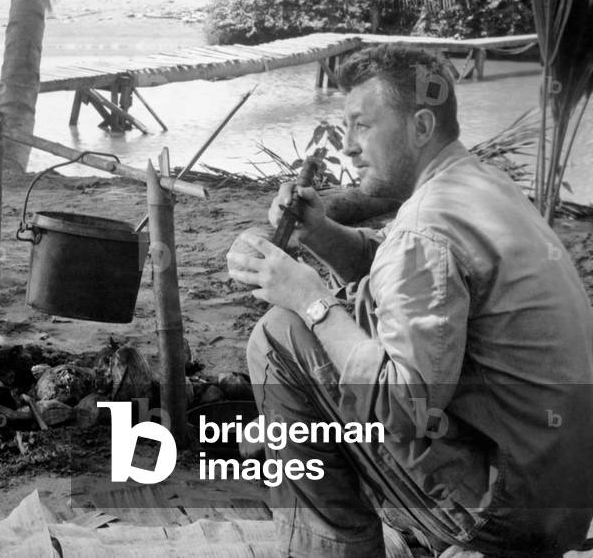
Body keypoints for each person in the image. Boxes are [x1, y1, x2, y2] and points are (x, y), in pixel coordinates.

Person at [227, 45, 593, 557]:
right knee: (337, 323)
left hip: (503, 512)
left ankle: (335, 547)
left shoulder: (424, 228)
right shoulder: (481, 184)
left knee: (278, 337)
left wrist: (310, 299)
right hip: (563, 494)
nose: (348, 147)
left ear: (421, 128)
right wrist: (321, 233)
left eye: (362, 125)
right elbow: (407, 273)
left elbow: (404, 409)